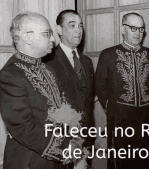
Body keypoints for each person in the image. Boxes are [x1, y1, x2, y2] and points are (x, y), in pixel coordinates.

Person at [0, 12, 83, 169]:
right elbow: (23, 127)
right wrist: (65, 148)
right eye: (47, 34)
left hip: (58, 158)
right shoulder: (10, 75)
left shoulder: (47, 68)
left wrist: (74, 140)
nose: (52, 39)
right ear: (27, 37)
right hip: (32, 159)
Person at [95, 12, 149, 169]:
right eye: (133, 28)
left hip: (145, 120)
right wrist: (111, 107)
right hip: (119, 119)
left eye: (141, 29)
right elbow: (100, 85)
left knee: (144, 160)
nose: (138, 33)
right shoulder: (108, 54)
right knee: (120, 162)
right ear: (123, 29)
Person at [41, 9, 95, 168]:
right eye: (72, 26)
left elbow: (88, 101)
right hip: (63, 142)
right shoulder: (48, 61)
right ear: (59, 30)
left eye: (80, 26)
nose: (78, 31)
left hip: (86, 138)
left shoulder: (87, 62)